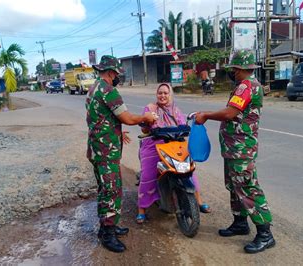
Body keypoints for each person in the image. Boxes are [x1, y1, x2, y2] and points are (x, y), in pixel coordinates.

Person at [194, 50, 275, 254]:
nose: (232, 73)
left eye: (233, 70)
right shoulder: (244, 85)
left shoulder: (247, 86)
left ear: (240, 69)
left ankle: (265, 234)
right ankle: (240, 223)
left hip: (241, 149)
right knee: (234, 186)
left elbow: (230, 113)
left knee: (247, 187)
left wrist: (205, 115)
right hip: (233, 148)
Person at [85, 55, 156, 253]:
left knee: (104, 189)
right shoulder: (108, 90)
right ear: (111, 73)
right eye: (117, 74)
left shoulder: (93, 88)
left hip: (97, 148)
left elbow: (99, 118)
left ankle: (107, 226)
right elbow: (127, 117)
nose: (118, 77)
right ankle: (108, 234)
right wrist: (145, 117)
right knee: (112, 190)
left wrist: (116, 130)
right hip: (106, 152)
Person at [136, 83, 210, 224]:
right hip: (153, 144)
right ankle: (142, 209)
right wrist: (147, 121)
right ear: (156, 95)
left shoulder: (176, 110)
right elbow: (144, 131)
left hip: (174, 144)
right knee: (148, 174)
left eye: (165, 93)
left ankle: (198, 201)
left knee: (189, 169)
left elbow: (182, 126)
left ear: (170, 95)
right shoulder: (150, 109)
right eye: (160, 93)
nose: (162, 95)